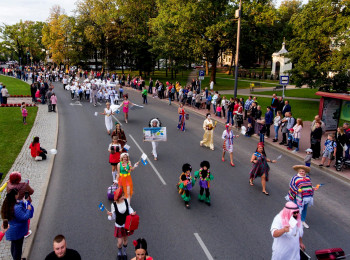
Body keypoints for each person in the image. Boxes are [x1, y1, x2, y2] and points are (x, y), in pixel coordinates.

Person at [1, 188, 34, 260]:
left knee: (14, 246)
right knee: (18, 249)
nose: (18, 194)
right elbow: (24, 217)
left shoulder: (7, 204)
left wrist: (23, 201)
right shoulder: (16, 208)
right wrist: (28, 210)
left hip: (11, 231)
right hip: (17, 232)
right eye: (17, 194)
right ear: (15, 196)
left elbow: (17, 203)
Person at [107, 187, 136, 260]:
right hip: (119, 226)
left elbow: (129, 209)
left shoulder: (126, 201)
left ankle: (125, 252)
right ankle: (119, 252)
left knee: (125, 240)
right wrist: (110, 215)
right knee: (120, 242)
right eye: (122, 196)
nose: (123, 197)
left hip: (126, 225)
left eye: (123, 195)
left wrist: (132, 213)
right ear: (118, 197)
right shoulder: (113, 205)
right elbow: (113, 217)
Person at [6, 171, 34, 238]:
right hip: (24, 203)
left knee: (17, 218)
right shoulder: (24, 185)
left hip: (13, 204)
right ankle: (26, 232)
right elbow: (32, 191)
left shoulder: (8, 185)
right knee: (26, 216)